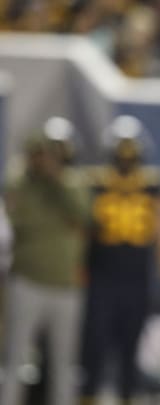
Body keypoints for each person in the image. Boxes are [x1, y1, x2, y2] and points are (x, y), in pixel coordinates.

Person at [1, 118, 90, 405]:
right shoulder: (22, 180)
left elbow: (85, 216)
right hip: (27, 282)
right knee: (15, 361)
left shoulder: (73, 183)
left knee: (63, 366)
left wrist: (56, 179)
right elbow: (21, 223)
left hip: (66, 287)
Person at [80, 115, 160, 404]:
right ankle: (89, 396)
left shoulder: (153, 186)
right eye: (122, 153)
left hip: (136, 279)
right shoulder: (96, 184)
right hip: (103, 278)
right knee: (94, 348)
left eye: (131, 153)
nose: (127, 159)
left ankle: (127, 397)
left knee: (130, 350)